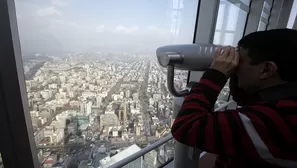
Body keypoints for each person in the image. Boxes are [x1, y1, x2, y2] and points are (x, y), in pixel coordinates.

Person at [171, 28, 297, 168]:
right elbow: (245, 101)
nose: (235, 66)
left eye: (240, 61)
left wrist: (216, 74)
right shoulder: (285, 104)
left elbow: (186, 127)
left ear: (266, 69)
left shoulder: (275, 120)